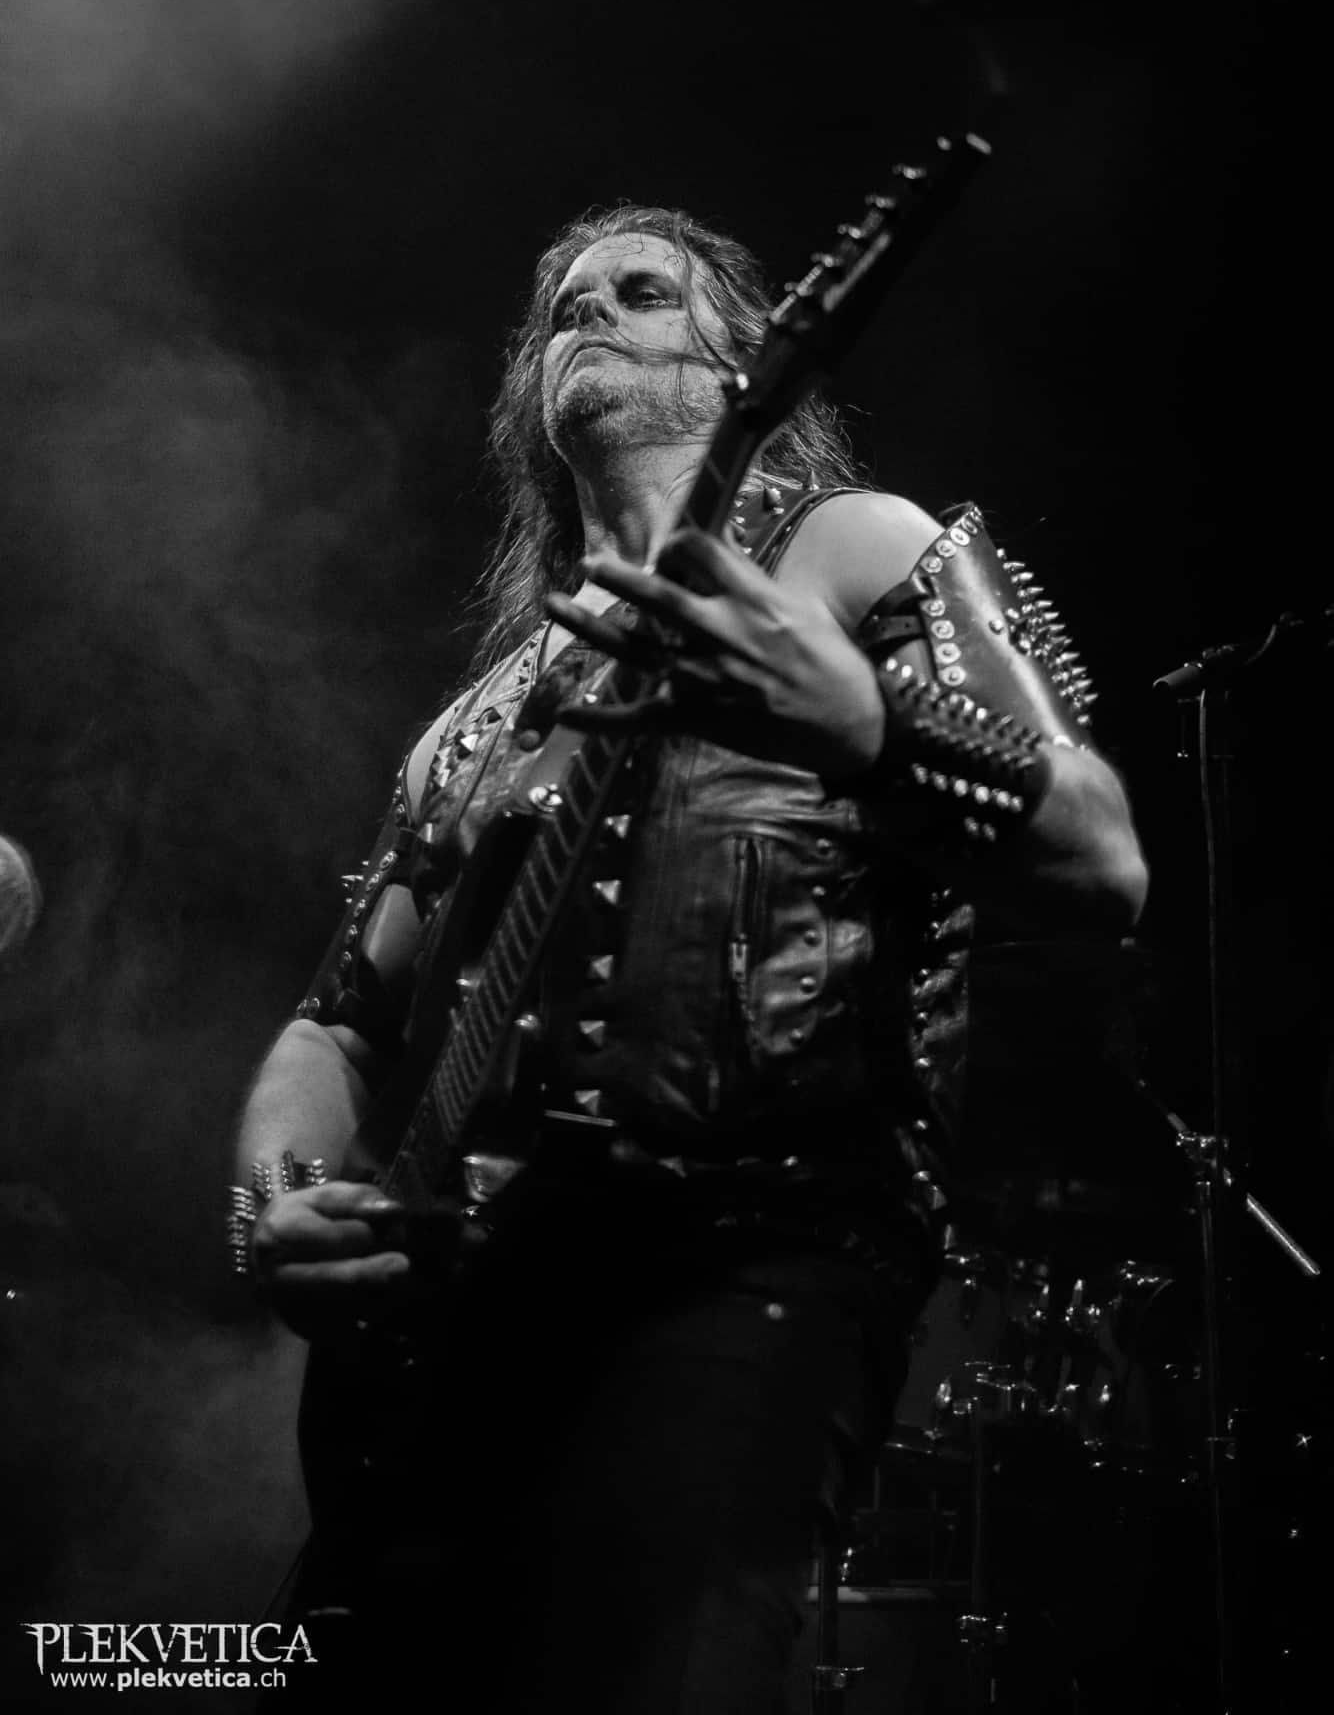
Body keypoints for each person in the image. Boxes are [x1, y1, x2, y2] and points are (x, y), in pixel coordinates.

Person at [231, 205, 1147, 1711]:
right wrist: (270, 1202)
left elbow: (1102, 856)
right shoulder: (473, 722)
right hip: (454, 1334)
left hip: (747, 1265)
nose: (587, 315)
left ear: (741, 360)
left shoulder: (853, 545)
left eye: (640, 290)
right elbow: (336, 1025)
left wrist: (868, 729)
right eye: (561, 309)